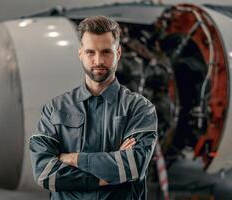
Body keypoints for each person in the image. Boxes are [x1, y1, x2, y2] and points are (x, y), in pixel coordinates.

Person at [29, 15, 158, 200]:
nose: (98, 60)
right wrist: (107, 173)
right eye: (90, 52)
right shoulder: (54, 109)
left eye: (106, 52)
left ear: (118, 53)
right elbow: (44, 173)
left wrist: (73, 158)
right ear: (80, 53)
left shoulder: (140, 109)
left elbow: (132, 167)